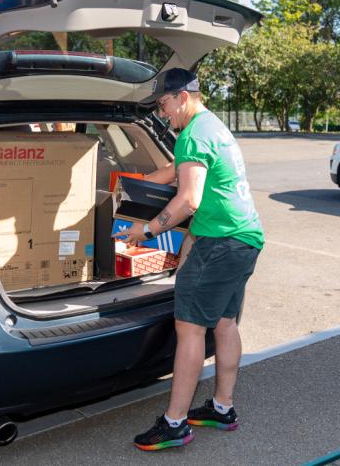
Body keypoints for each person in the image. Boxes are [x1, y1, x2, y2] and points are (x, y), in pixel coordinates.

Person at [114, 67, 264, 451]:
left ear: (183, 96)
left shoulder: (193, 134)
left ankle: (175, 423)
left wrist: (143, 231)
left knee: (191, 329)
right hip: (244, 238)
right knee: (225, 323)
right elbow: (177, 174)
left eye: (163, 105)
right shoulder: (211, 125)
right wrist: (132, 184)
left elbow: (189, 199)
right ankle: (223, 407)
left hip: (220, 244)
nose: (163, 114)